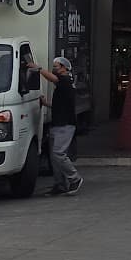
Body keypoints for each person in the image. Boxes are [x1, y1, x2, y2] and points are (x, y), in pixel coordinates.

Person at [28, 56, 82, 196]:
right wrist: (46, 104)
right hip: (58, 123)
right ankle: (60, 185)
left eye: (56, 66)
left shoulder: (66, 80)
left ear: (64, 68)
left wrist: (38, 68)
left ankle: (74, 178)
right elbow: (60, 105)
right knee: (54, 157)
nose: (54, 69)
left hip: (65, 125)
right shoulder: (65, 83)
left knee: (59, 154)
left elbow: (53, 79)